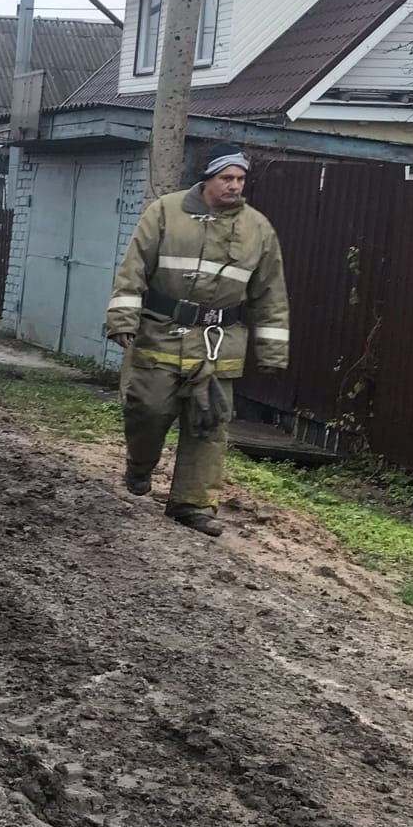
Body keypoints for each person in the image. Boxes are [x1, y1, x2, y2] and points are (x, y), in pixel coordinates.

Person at [104, 144, 290, 537]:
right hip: (161, 334)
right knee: (148, 409)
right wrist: (123, 317)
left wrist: (272, 351)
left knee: (210, 424)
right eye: (227, 178)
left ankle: (193, 505)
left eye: (240, 179)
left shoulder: (259, 228)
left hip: (218, 343)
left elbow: (271, 293)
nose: (235, 186)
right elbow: (133, 268)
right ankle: (140, 465)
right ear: (208, 178)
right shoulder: (165, 212)